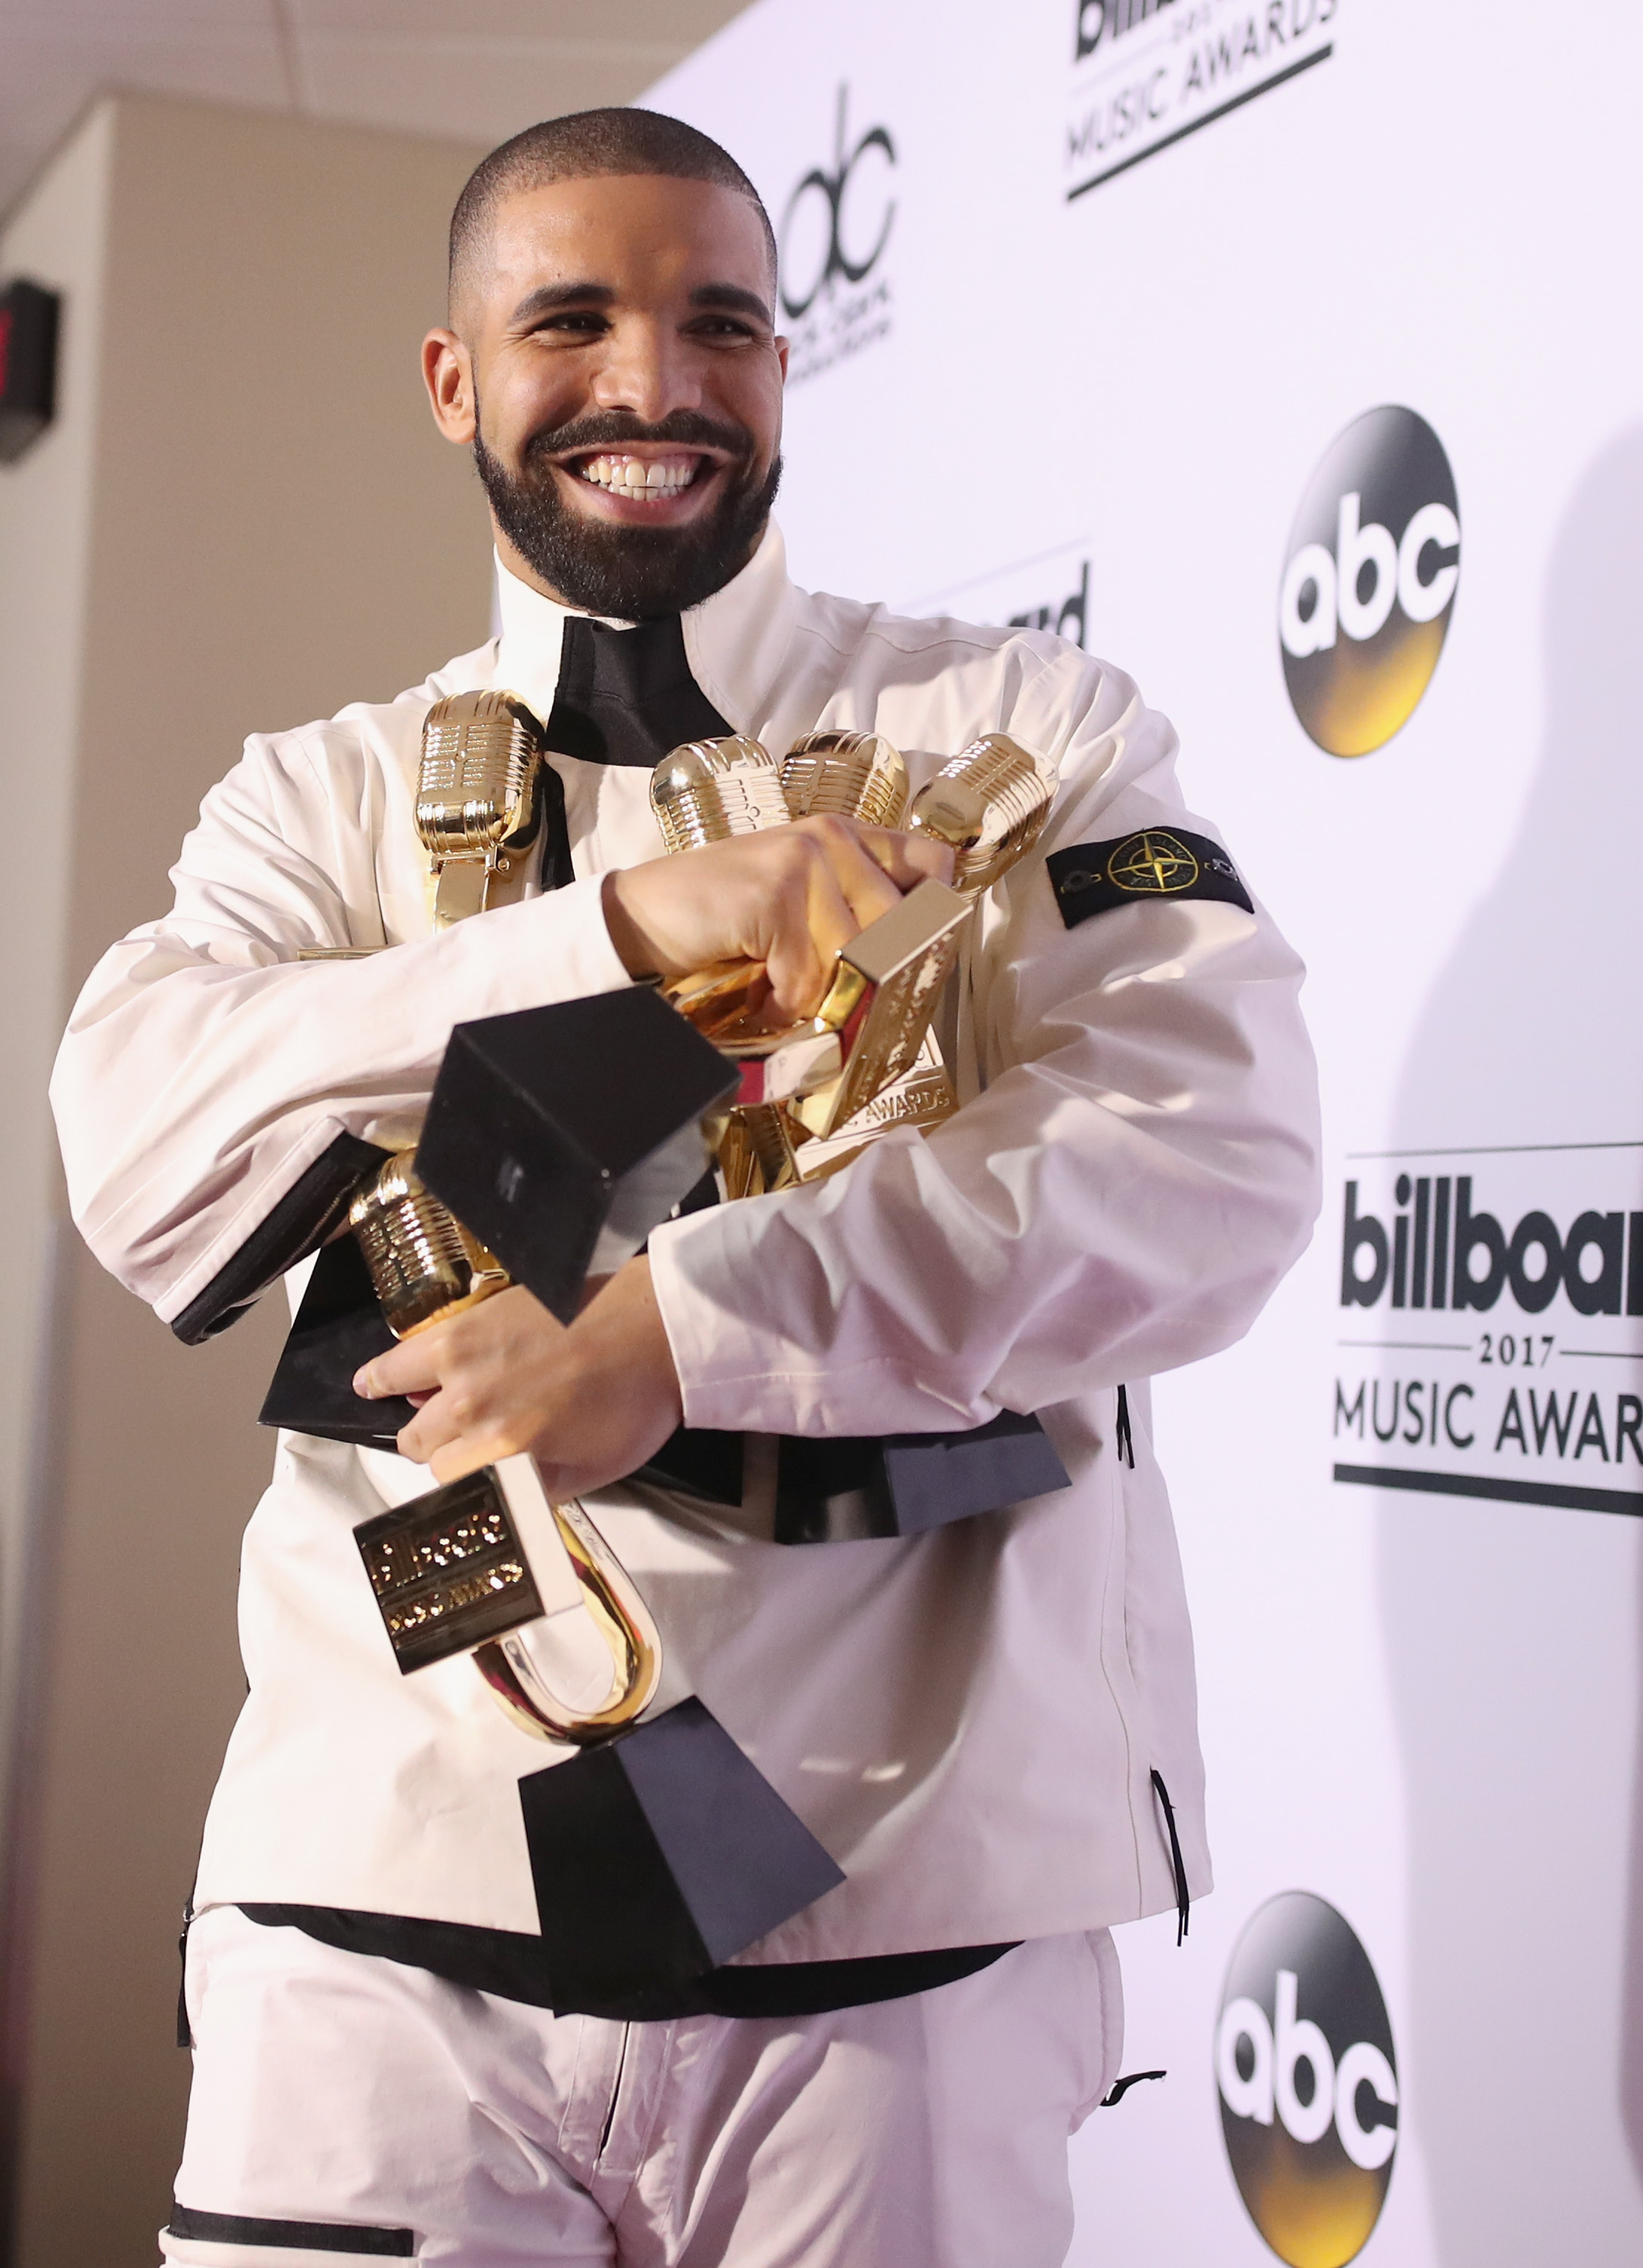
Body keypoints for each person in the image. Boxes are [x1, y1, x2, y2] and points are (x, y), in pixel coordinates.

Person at [51, 107, 1319, 2268]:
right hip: (382, 1922)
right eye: (574, 320)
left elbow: (1214, 1156)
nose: (653, 385)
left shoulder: (1027, 728)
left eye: (717, 321)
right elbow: (138, 1134)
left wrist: (687, 1335)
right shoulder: (323, 799)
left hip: (898, 1930)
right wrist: (626, 936)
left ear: (781, 367)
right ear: (455, 379)